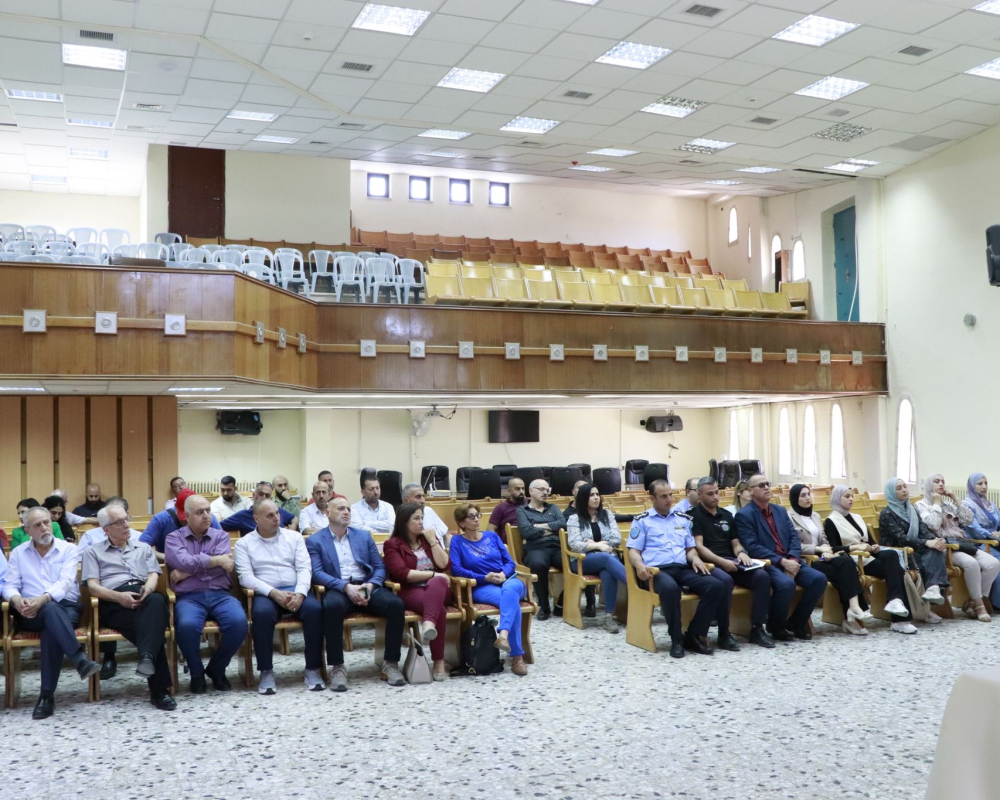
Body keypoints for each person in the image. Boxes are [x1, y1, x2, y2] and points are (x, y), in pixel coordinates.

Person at [2, 507, 101, 719]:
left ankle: (46, 697)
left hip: (66, 607)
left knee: (51, 616)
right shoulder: (19, 553)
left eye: (47, 522)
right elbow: (9, 585)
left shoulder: (68, 549)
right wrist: (17, 600)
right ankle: (79, 660)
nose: (44, 528)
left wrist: (43, 598)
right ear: (27, 530)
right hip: (29, 612)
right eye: (37, 525)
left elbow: (66, 582)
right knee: (49, 618)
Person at [82, 504, 176, 710]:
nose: (126, 525)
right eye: (119, 522)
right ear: (106, 529)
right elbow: (93, 586)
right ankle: (159, 690)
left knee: (156, 601)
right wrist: (119, 597)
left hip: (144, 596)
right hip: (114, 602)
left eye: (127, 519)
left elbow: (153, 575)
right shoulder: (93, 552)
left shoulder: (143, 548)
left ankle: (148, 659)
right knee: (152, 630)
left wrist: (148, 590)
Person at [307, 497, 406, 690]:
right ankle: (337, 667)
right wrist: (345, 587)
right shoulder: (315, 540)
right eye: (340, 509)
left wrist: (371, 585)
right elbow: (317, 573)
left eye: (348, 509)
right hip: (338, 588)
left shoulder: (363, 536)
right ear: (327, 513)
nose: (346, 512)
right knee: (331, 607)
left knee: (395, 604)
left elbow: (379, 567)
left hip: (365, 585)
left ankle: (390, 664)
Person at [627, 480, 729, 657]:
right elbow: (633, 551)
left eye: (670, 495)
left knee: (716, 586)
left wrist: (695, 558)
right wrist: (639, 565)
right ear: (652, 498)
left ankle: (694, 634)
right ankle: (676, 639)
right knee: (671, 589)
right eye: (663, 496)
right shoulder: (642, 521)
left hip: (682, 569)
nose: (669, 499)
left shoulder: (682, 519)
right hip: (656, 571)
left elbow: (690, 549)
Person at [234, 498, 324, 695]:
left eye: (277, 513)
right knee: (261, 614)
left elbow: (304, 568)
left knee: (315, 610)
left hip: (295, 589)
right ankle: (266, 671)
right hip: (266, 592)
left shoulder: (294, 537)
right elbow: (245, 577)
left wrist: (300, 593)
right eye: (270, 515)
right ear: (256, 518)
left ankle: (313, 668)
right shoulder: (244, 544)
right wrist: (273, 593)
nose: (277, 518)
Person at [164, 494, 249, 693]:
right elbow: (183, 561)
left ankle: (217, 669)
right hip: (189, 597)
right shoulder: (173, 538)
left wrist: (187, 572)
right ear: (186, 516)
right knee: (186, 627)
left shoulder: (221, 536)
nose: (206, 516)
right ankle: (196, 673)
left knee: (239, 623)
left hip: (221, 595)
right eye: (199, 512)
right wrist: (215, 560)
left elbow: (225, 566)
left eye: (208, 511)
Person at [735, 474, 828, 641]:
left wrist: (793, 559)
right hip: (768, 563)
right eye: (761, 485)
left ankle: (796, 622)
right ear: (750, 491)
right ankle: (776, 626)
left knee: (818, 579)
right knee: (786, 584)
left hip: (790, 559)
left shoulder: (780, 510)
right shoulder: (744, 515)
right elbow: (752, 546)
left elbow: (794, 537)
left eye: (767, 484)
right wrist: (782, 562)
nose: (766, 487)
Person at [689, 477, 774, 648]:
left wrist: (741, 553)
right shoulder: (693, 516)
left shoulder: (726, 516)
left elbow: (735, 544)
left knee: (761, 576)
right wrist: (722, 562)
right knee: (725, 581)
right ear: (699, 494)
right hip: (709, 564)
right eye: (710, 494)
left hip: (731, 561)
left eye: (716, 492)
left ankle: (757, 628)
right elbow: (699, 547)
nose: (715, 497)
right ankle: (724, 633)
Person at [825, 485, 918, 635]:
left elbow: (870, 540)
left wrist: (874, 546)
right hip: (854, 558)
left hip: (869, 555)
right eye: (847, 496)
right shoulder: (831, 521)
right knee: (896, 570)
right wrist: (855, 547)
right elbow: (833, 548)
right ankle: (900, 620)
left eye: (851, 496)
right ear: (837, 498)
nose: (851, 499)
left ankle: (895, 602)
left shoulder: (857, 517)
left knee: (892, 556)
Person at [449, 502, 528, 676]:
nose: (477, 519)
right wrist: (483, 577)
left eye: (478, 515)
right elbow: (456, 569)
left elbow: (510, 562)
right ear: (461, 522)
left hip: (508, 581)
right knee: (511, 603)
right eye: (471, 517)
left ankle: (503, 636)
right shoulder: (457, 541)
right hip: (482, 586)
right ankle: (517, 657)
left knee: (510, 592)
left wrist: (502, 574)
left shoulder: (492, 536)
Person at [786, 484, 874, 636]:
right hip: (806, 560)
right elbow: (793, 545)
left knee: (846, 562)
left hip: (823, 557)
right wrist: (818, 549)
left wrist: (826, 549)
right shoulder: (789, 517)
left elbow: (824, 539)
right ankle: (851, 614)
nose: (808, 498)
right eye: (803, 495)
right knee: (844, 573)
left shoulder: (815, 516)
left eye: (808, 494)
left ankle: (853, 608)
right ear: (795, 498)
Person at [383, 503, 453, 681]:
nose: (421, 522)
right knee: (439, 609)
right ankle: (439, 663)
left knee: (438, 581)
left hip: (439, 589)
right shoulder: (392, 545)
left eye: (422, 518)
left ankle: (428, 623)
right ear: (404, 521)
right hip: (412, 590)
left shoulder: (428, 539)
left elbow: (445, 564)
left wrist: (433, 541)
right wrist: (432, 573)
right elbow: (402, 573)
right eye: (416, 518)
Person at [915, 473, 998, 622]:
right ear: (928, 485)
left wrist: (955, 499)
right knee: (971, 564)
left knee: (993, 564)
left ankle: (972, 601)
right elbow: (933, 525)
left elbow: (968, 520)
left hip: (962, 544)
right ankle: (979, 605)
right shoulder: (921, 505)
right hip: (945, 548)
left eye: (943, 481)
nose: (941, 484)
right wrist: (936, 504)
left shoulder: (948, 504)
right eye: (936, 481)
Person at [76, 495, 136, 679]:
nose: (122, 523)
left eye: (122, 517)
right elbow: (78, 562)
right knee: (104, 602)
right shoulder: (90, 536)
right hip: (102, 586)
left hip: (134, 586)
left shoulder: (137, 537)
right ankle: (109, 656)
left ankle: (147, 653)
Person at [879, 477, 948, 616]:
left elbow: (923, 529)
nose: (904, 490)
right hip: (899, 552)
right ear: (891, 492)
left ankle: (933, 589)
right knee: (922, 559)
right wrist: (926, 542)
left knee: (936, 549)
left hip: (914, 548)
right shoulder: (887, 514)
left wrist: (934, 539)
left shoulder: (911, 509)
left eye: (905, 486)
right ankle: (924, 607)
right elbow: (901, 538)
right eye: (899, 488)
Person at [565, 482, 627, 634]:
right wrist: (598, 546)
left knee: (608, 571)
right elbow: (575, 544)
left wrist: (594, 544)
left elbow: (617, 538)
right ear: (583, 498)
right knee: (605, 558)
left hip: (606, 558)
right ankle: (637, 585)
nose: (596, 498)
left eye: (597, 494)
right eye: (591, 495)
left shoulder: (607, 515)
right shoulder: (574, 519)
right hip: (582, 561)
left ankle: (609, 617)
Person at [515, 479, 566, 621]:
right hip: (535, 548)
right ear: (531, 491)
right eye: (541, 489)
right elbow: (526, 531)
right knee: (538, 565)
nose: (545, 493)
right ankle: (544, 606)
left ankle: (561, 604)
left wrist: (537, 526)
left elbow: (563, 524)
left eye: (547, 490)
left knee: (574, 565)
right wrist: (551, 528)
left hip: (557, 547)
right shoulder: (522, 510)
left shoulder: (553, 508)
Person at [962, 473, 1000, 611]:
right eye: (979, 484)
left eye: (985, 483)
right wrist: (991, 535)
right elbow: (974, 529)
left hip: (995, 542)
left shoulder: (991, 505)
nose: (984, 486)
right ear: (972, 486)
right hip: (980, 543)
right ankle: (996, 602)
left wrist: (998, 533)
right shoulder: (967, 505)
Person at [141, 488, 220, 555]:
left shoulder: (207, 518)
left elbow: (221, 545)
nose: (187, 522)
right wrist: (166, 558)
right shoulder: (160, 519)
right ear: (176, 507)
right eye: (185, 518)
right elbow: (141, 547)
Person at [222, 482, 296, 536]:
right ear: (254, 495)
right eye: (260, 494)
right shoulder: (242, 516)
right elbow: (219, 526)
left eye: (267, 495)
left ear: (270, 499)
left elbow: (295, 519)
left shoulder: (277, 511)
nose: (263, 497)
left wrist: (291, 530)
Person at [487, 477, 526, 542]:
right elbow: (490, 530)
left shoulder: (529, 503)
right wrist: (498, 545)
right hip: (508, 544)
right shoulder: (500, 508)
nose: (521, 491)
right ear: (509, 490)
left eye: (523, 488)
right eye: (517, 489)